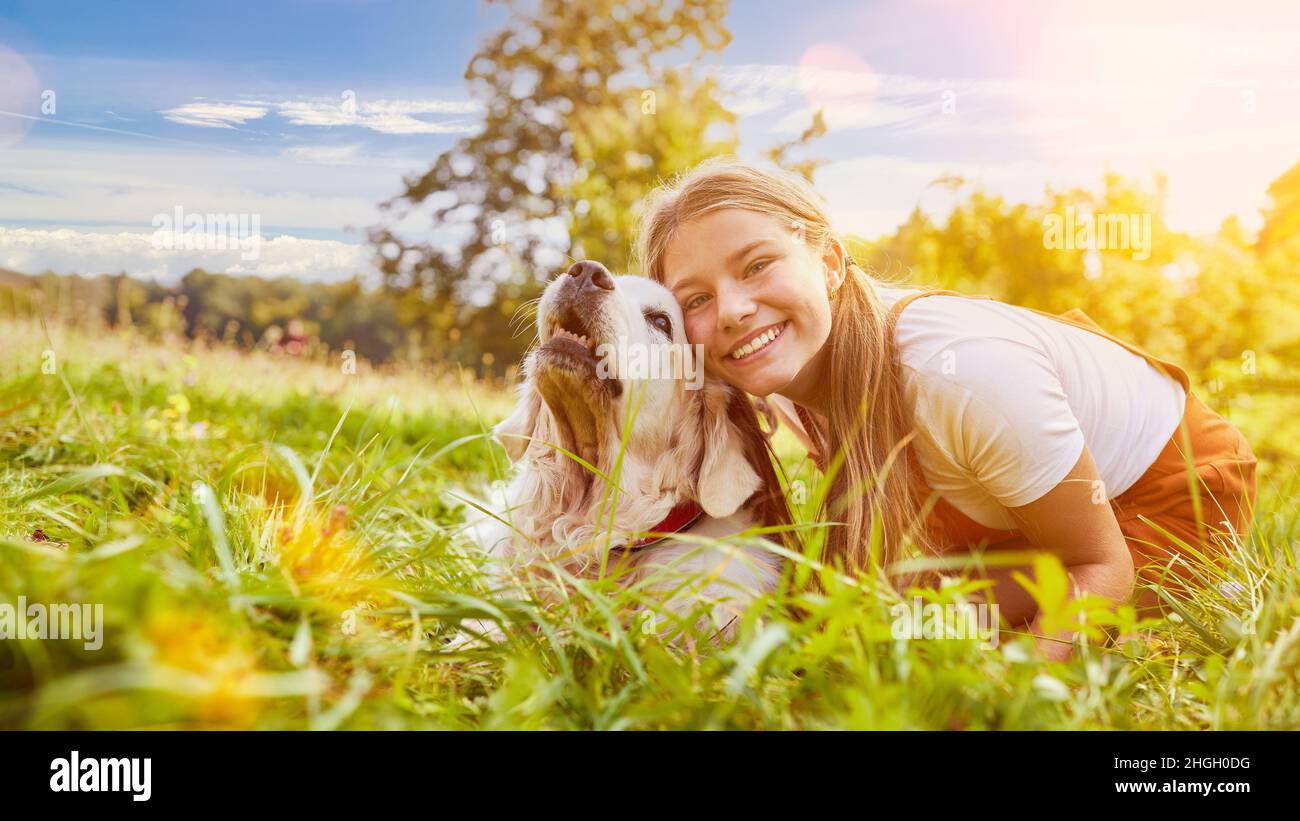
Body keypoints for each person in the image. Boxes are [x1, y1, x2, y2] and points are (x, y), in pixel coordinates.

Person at [636, 157, 1257, 661]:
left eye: (759, 265)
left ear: (828, 263)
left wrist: (1016, 700)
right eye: (695, 299)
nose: (733, 310)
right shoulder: (791, 373)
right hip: (1019, 501)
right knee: (873, 609)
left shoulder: (954, 372)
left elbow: (1100, 562)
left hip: (1163, 500)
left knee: (913, 633)